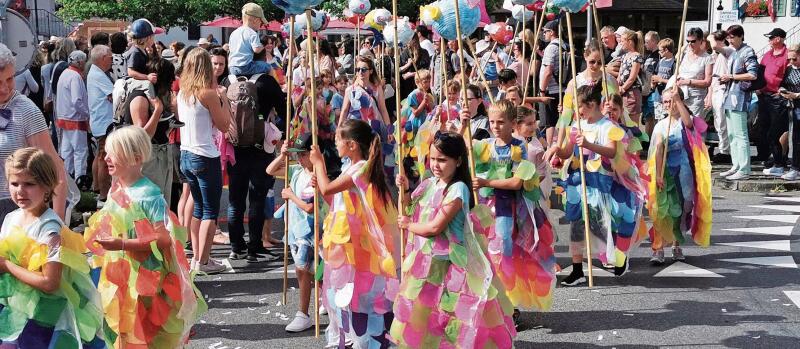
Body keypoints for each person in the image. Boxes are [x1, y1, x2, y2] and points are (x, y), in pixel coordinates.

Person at [390, 131, 516, 348]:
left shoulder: (458, 189)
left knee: (459, 317)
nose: (436, 165)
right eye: (433, 159)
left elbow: (435, 226)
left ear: (458, 161)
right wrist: (406, 189)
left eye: (442, 160)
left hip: (456, 264)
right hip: (431, 262)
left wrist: (408, 225)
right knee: (428, 314)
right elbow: (411, 207)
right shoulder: (430, 183)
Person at [84, 126, 204, 347]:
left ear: (135, 158)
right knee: (121, 329)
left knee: (144, 332)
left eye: (113, 153)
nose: (106, 157)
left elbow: (164, 238)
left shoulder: (149, 195)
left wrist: (122, 243)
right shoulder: (116, 187)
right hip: (119, 274)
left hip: (145, 279)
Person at [0, 148, 104, 348]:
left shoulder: (49, 229)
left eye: (29, 184)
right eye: (14, 183)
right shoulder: (11, 218)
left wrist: (7, 266)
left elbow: (50, 282)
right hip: (17, 310)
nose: (20, 191)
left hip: (45, 316)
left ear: (47, 187)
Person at [310, 119, 398, 349]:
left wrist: (318, 164)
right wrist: (319, 182)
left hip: (356, 246)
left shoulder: (360, 168)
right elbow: (334, 199)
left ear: (351, 145)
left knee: (360, 296)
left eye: (338, 140)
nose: (335, 143)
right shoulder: (351, 167)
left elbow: (329, 188)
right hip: (346, 243)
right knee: (346, 297)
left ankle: (368, 340)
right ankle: (355, 339)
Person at [547, 84, 645, 285]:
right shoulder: (577, 125)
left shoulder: (609, 127)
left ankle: (619, 255)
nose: (577, 112)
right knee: (576, 225)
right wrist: (557, 148)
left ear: (591, 104)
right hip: (578, 181)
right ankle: (577, 271)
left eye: (579, 107)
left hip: (601, 183)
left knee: (606, 224)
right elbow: (567, 152)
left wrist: (589, 145)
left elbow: (611, 151)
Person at [467, 99, 556, 317]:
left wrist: (487, 182)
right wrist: (462, 125)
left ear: (511, 124)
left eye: (500, 122)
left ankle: (509, 306)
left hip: (508, 208)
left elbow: (517, 182)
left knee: (503, 252)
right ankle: (491, 302)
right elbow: (465, 148)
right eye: (492, 122)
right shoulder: (485, 144)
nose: (495, 126)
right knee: (483, 252)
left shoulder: (518, 148)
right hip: (486, 206)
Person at [178, 48, 232, 273]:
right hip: (205, 155)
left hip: (186, 153)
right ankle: (204, 260)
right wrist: (225, 101)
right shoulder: (208, 94)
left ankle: (197, 258)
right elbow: (224, 125)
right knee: (210, 210)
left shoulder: (182, 92)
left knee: (198, 207)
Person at [0, 44, 67, 224]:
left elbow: (55, 168)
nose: (5, 88)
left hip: (20, 209)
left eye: (9, 79)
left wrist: (57, 221)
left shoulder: (26, 110)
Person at [647, 87, 712, 264]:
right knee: (662, 209)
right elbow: (657, 150)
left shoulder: (687, 122)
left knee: (683, 207)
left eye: (672, 101)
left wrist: (678, 100)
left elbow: (689, 124)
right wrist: (658, 175)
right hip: (666, 172)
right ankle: (658, 248)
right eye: (666, 101)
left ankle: (676, 244)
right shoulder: (661, 125)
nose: (669, 105)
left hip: (685, 173)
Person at [266, 134, 323, 333]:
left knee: (303, 270)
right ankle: (326, 299)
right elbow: (270, 170)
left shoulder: (317, 175)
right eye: (297, 155)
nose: (299, 159)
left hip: (311, 230)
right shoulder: (297, 170)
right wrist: (282, 155)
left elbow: (310, 208)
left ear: (314, 153)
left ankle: (303, 313)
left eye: (303, 154)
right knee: (314, 270)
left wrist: (290, 196)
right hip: (296, 230)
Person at [122, 58, 177, 205]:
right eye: (169, 82)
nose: (171, 86)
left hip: (162, 154)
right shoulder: (140, 97)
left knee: (162, 205)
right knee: (149, 206)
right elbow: (143, 136)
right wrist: (158, 111)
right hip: (148, 158)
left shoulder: (155, 97)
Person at [718, 25, 758, 181]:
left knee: (741, 134)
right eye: (728, 38)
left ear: (741, 36)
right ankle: (736, 165)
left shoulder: (747, 52)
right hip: (730, 96)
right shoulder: (734, 52)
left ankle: (745, 168)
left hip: (740, 97)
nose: (730, 40)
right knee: (732, 134)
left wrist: (732, 77)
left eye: (732, 37)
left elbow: (753, 75)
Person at [758, 28, 790, 175]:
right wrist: (758, 87)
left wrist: (782, 91)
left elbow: (789, 76)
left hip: (778, 98)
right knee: (764, 131)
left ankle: (780, 161)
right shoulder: (767, 54)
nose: (769, 40)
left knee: (776, 132)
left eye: (771, 38)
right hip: (764, 96)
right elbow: (760, 72)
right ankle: (772, 159)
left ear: (778, 39)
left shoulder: (788, 56)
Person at [55, 50, 90, 187]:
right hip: (75, 119)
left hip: (64, 118)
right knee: (80, 151)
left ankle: (66, 180)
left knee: (67, 151)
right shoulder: (75, 77)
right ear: (80, 62)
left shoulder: (65, 74)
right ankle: (79, 180)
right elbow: (77, 101)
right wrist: (87, 114)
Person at [87, 45, 115, 205]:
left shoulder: (95, 72)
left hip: (99, 121)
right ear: (103, 58)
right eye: (110, 58)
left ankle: (97, 188)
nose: (112, 60)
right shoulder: (98, 75)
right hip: (104, 122)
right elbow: (113, 95)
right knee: (104, 158)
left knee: (99, 156)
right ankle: (104, 195)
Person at [708, 31, 735, 162]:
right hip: (716, 90)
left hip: (723, 90)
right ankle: (723, 148)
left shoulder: (728, 50)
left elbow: (714, 46)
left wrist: (710, 38)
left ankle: (726, 151)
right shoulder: (719, 55)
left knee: (722, 122)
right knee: (718, 122)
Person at [675, 27, 713, 117]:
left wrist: (688, 82)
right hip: (680, 94)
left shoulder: (707, 58)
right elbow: (676, 60)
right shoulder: (684, 54)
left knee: (694, 124)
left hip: (696, 98)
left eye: (693, 41)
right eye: (688, 41)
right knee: (679, 125)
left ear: (700, 41)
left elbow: (707, 82)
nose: (690, 44)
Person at [228, 3, 272, 76]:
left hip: (232, 67)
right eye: (261, 22)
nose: (261, 24)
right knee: (268, 67)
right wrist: (262, 46)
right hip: (245, 66)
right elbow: (256, 50)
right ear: (255, 20)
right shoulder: (252, 33)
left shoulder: (234, 33)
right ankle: (272, 85)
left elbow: (231, 49)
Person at [539, 20, 563, 146]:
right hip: (561, 88)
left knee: (549, 121)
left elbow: (548, 71)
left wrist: (542, 91)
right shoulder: (564, 46)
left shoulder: (551, 48)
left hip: (550, 89)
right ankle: (559, 145)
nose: (544, 34)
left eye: (545, 31)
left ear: (552, 32)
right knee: (560, 119)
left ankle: (549, 147)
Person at [124, 19, 158, 99]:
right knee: (149, 87)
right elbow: (130, 72)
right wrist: (147, 77)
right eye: (152, 36)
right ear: (147, 38)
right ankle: (154, 107)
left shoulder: (143, 51)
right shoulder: (135, 52)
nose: (154, 39)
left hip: (139, 82)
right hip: (135, 84)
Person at [780, 44, 800, 180]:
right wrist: (783, 90)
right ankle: (795, 167)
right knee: (795, 138)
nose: (791, 62)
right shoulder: (788, 69)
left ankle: (795, 168)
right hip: (793, 105)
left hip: (797, 101)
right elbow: (782, 83)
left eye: (794, 59)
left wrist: (797, 95)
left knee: (797, 138)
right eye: (789, 59)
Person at [617, 30, 645, 125]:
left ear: (630, 42)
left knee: (633, 124)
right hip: (622, 93)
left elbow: (632, 78)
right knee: (622, 121)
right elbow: (620, 75)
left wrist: (622, 89)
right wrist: (617, 87)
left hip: (631, 93)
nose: (621, 43)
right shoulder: (624, 56)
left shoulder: (637, 57)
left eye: (622, 41)